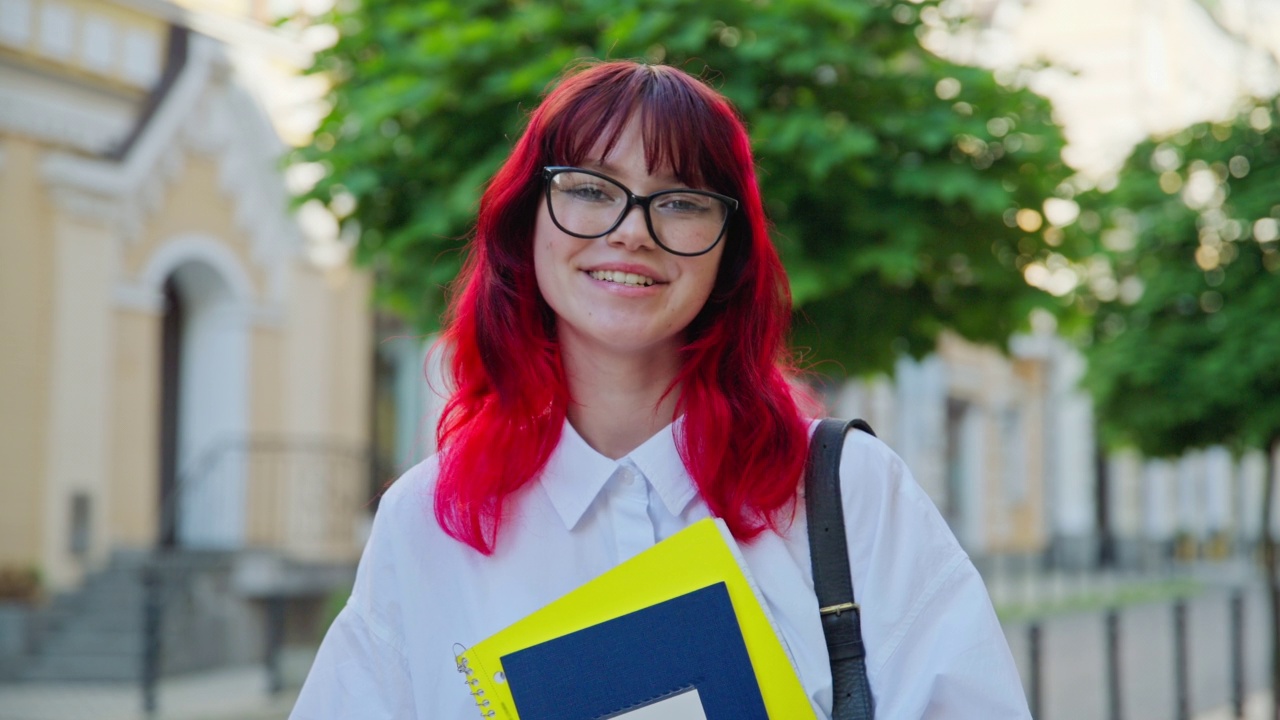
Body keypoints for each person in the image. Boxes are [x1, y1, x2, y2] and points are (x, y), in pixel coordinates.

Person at [291, 60, 1029, 719]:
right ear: (528, 223)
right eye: (588, 189)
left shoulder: (847, 492)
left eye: (680, 201)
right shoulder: (429, 520)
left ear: (728, 254)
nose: (631, 232)